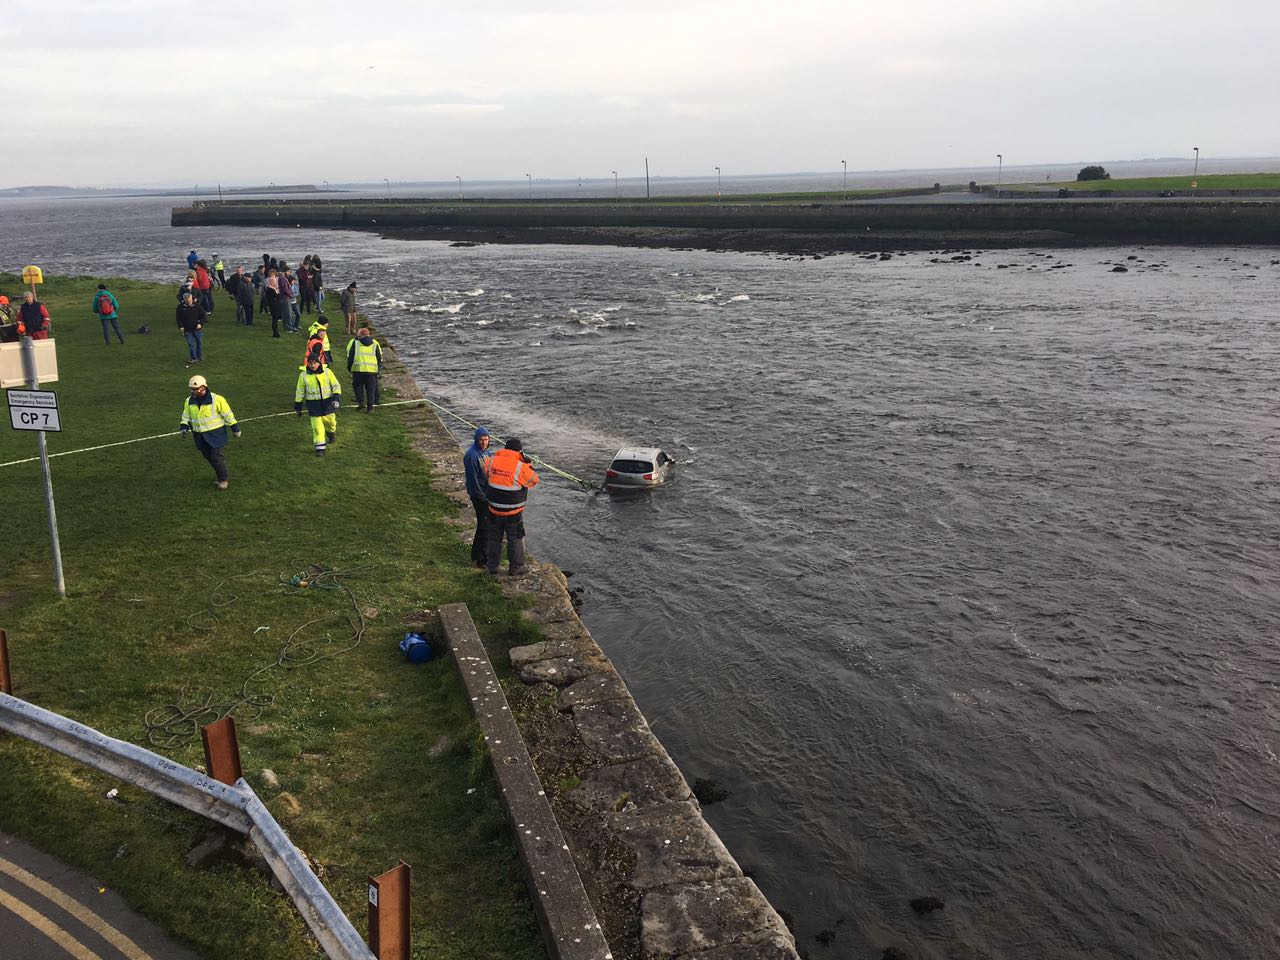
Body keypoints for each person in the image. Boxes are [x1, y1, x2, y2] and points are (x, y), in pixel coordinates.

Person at [482, 436, 539, 576]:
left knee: (494, 538)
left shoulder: (491, 461)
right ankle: (515, 567)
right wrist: (528, 464)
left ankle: (491, 567)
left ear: (505, 448)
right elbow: (534, 481)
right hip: (513, 512)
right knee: (515, 538)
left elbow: (486, 473)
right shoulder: (521, 466)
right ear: (520, 451)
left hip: (494, 509)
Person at [180, 374, 240, 490]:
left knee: (216, 457)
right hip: (199, 436)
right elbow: (186, 415)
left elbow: (228, 414)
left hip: (216, 435)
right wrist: (183, 426)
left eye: (197, 389)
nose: (196, 391)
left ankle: (223, 479)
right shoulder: (189, 401)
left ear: (203, 387)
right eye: (193, 389)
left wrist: (235, 428)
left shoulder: (217, 399)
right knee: (208, 457)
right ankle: (220, 476)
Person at [294, 354, 341, 455]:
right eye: (310, 363)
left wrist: (336, 398)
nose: (312, 365)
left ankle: (331, 433)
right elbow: (300, 391)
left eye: (314, 363)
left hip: (328, 404)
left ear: (319, 363)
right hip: (313, 406)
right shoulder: (303, 375)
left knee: (331, 423)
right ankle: (320, 449)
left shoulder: (328, 372)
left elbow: (336, 385)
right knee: (317, 428)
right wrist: (298, 406)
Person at [463, 427, 492, 568]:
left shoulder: (487, 452)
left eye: (486, 439)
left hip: (486, 493)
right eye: (481, 439)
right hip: (479, 496)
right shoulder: (471, 455)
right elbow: (472, 481)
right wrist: (483, 497)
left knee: (482, 525)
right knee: (485, 527)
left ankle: (475, 555)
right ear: (476, 439)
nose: (484, 442)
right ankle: (482, 560)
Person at [345, 327, 382, 411]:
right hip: (371, 370)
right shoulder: (375, 343)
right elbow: (379, 357)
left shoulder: (355, 343)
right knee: (371, 390)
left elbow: (351, 357)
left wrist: (349, 368)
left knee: (357, 387)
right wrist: (378, 369)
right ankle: (370, 408)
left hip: (358, 369)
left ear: (360, 335)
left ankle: (361, 403)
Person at [176, 291, 206, 363]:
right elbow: (178, 319)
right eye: (187, 301)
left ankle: (199, 356)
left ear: (192, 298)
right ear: (184, 300)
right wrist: (181, 327)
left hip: (197, 329)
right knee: (191, 344)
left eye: (190, 300)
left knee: (199, 342)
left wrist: (200, 324)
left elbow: (203, 316)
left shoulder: (197, 306)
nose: (189, 302)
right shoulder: (180, 307)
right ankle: (193, 358)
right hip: (187, 329)